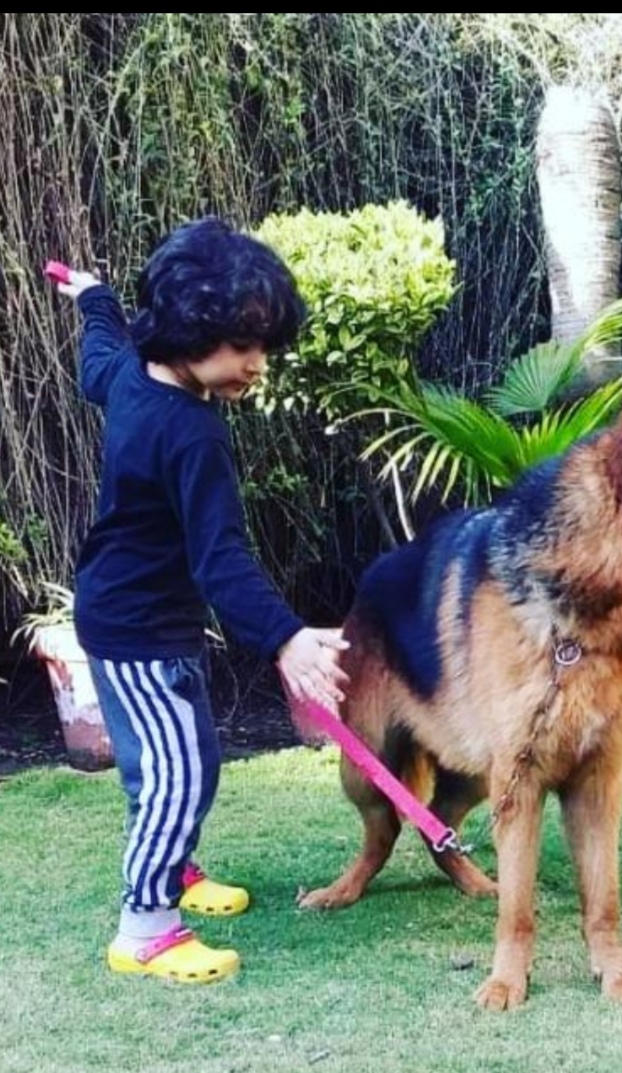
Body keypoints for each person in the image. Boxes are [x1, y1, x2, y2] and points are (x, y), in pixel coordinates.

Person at [56, 217, 350, 984]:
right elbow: (221, 561)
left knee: (168, 760)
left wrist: (95, 297)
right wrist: (287, 637)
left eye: (264, 347)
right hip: (138, 629)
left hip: (127, 613)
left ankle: (175, 865)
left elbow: (97, 355)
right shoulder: (194, 434)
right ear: (188, 327)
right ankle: (146, 926)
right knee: (179, 769)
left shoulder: (131, 372)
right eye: (242, 345)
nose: (257, 364)